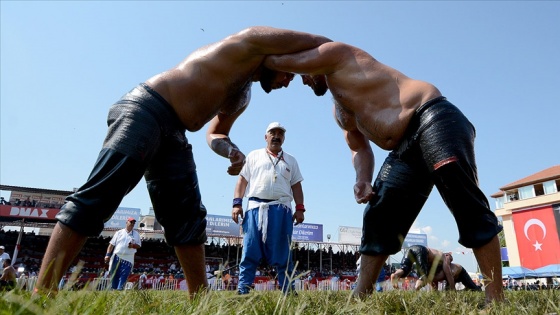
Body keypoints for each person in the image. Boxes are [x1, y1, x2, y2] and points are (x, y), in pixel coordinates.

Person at [34, 26, 331, 297]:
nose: (289, 81)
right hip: (146, 109)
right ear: (281, 57)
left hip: (174, 131)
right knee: (98, 198)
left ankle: (199, 299)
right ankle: (43, 293)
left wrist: (230, 150)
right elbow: (320, 42)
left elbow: (215, 133)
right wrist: (315, 70)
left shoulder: (241, 96)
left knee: (187, 216)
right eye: (290, 72)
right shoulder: (247, 44)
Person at [264, 41, 504, 303]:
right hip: (404, 146)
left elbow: (288, 56)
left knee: (464, 201)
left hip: (433, 116)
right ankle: (360, 296)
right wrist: (363, 179)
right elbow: (359, 149)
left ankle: (495, 298)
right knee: (379, 212)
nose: (303, 82)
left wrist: (258, 59)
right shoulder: (339, 110)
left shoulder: (340, 57)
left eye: (303, 75)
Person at [232, 122, 305, 295]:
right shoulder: (253, 156)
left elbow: (296, 186)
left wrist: (300, 208)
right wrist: (236, 203)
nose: (276, 136)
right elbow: (242, 181)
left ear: (284, 138)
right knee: (250, 250)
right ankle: (243, 291)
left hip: (281, 209)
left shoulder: (291, 160)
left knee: (283, 252)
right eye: (273, 132)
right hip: (255, 208)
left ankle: (288, 291)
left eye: (280, 133)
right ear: (266, 136)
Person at [104, 217, 142, 290]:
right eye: (131, 222)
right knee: (114, 274)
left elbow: (139, 245)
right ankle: (114, 289)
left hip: (128, 258)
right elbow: (111, 245)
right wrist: (107, 255)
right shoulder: (119, 233)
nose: (132, 224)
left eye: (134, 223)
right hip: (117, 256)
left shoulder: (136, 234)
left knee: (124, 274)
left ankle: (120, 290)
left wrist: (133, 246)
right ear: (126, 222)